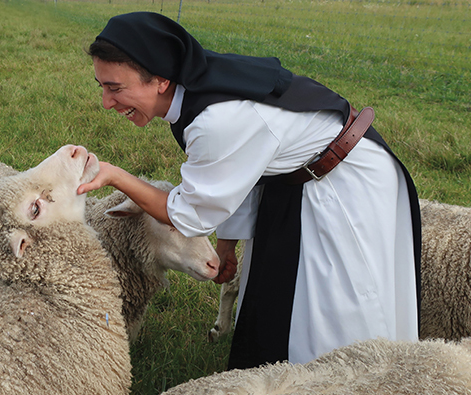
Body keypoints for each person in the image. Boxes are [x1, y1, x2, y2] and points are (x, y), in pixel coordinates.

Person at [77, 11, 421, 369]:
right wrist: (227, 243)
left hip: (344, 187)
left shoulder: (216, 120)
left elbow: (189, 215)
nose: (106, 102)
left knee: (338, 308)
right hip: (294, 182)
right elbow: (245, 169)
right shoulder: (197, 93)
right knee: (279, 298)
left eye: (116, 88)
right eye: (101, 86)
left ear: (160, 80)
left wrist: (116, 176)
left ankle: (356, 378)